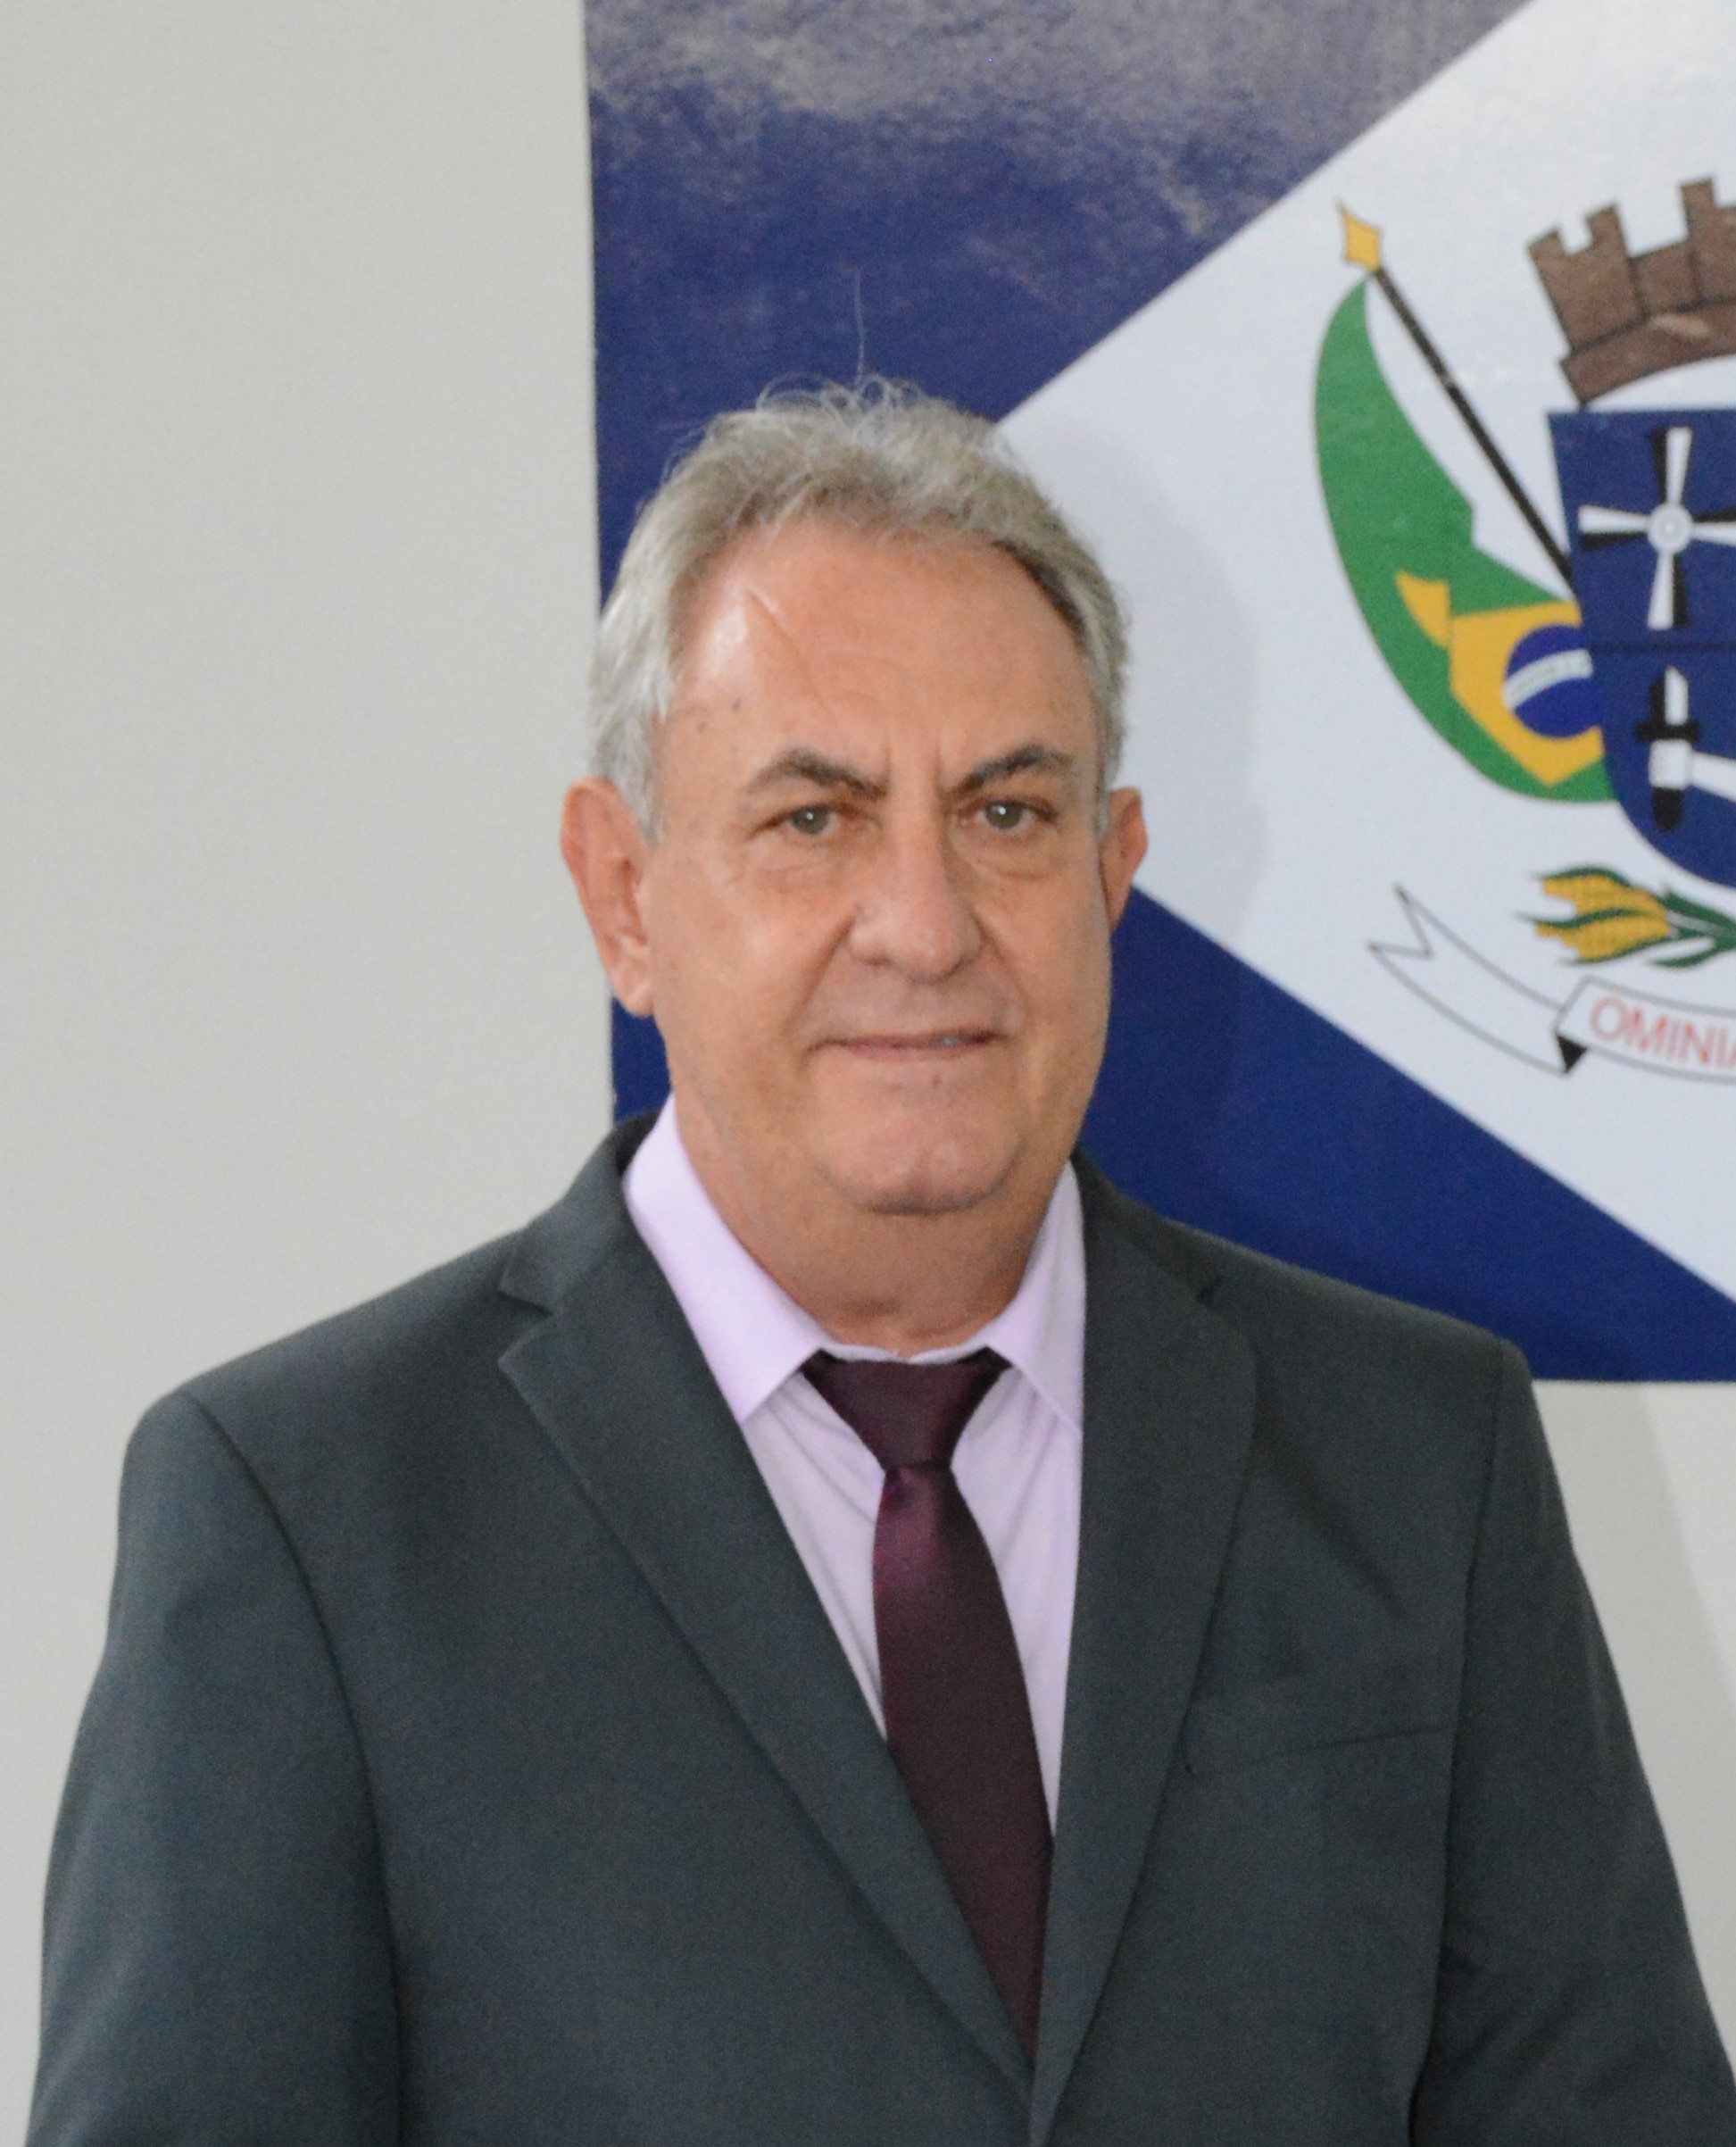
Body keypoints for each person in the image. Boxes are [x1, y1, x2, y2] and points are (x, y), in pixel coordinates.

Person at [29, 380, 1735, 2145]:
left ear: (1112, 873)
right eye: (813, 818)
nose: (923, 928)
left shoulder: (1418, 1454)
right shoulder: (309, 1517)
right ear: (621, 894)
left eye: (1005, 814)